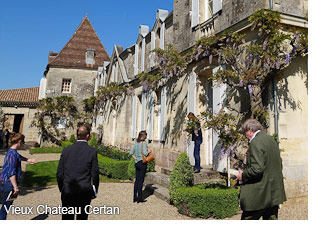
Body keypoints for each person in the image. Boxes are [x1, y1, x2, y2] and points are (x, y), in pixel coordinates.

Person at [235, 119, 286, 220]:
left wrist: (242, 175)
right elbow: (278, 163)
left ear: (250, 130)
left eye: (245, 132)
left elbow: (257, 169)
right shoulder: (270, 139)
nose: (245, 135)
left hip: (259, 194)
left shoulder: (255, 142)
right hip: (273, 192)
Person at [56, 124, 99, 220]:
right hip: (84, 190)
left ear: (76, 136)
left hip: (68, 189)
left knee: (67, 219)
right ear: (87, 136)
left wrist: (62, 187)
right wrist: (95, 190)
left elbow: (59, 173)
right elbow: (95, 174)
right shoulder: (92, 151)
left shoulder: (66, 150)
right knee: (82, 218)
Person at [0, 133, 37, 220]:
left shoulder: (12, 151)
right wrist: (15, 187)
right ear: (20, 142)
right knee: (5, 209)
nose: (23, 144)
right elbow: (11, 173)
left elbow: (19, 157)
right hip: (8, 184)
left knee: (4, 207)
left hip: (4, 182)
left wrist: (28, 160)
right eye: (23, 142)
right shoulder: (12, 154)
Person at [130, 130, 150, 203]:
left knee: (137, 181)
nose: (146, 137)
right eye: (146, 135)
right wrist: (149, 151)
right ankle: (140, 198)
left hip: (137, 163)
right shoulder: (143, 143)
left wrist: (136, 159)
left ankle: (134, 197)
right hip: (142, 163)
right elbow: (145, 153)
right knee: (141, 181)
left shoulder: (136, 143)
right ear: (143, 136)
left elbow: (131, 153)